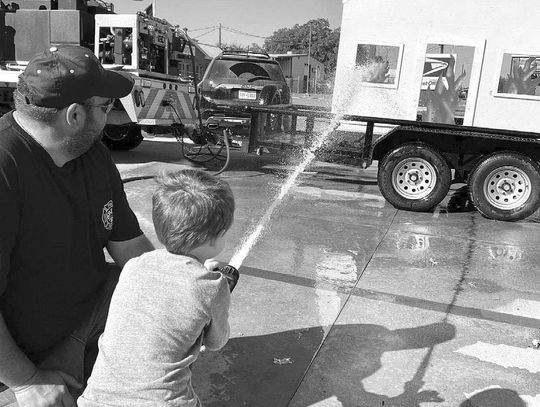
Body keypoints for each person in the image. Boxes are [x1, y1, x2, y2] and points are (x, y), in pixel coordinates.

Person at [0, 45, 154, 406]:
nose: (111, 116)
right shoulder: (6, 167)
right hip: (18, 353)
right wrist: (26, 382)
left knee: (151, 297)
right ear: (73, 115)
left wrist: (180, 280)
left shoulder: (92, 154)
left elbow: (129, 247)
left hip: (81, 313)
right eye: (106, 107)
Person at [78, 169, 237, 407]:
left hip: (96, 399)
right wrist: (215, 282)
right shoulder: (212, 286)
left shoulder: (133, 267)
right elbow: (216, 342)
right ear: (217, 238)